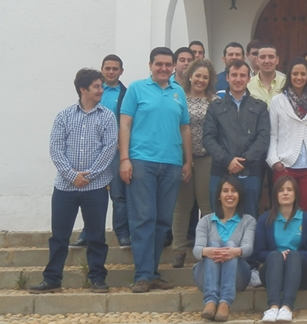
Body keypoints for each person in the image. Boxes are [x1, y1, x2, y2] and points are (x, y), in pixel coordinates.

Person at [29, 69, 118, 294]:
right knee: (59, 235)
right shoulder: (64, 116)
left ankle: (97, 278)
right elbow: (56, 148)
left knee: (97, 236)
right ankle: (52, 279)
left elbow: (109, 149)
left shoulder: (107, 116)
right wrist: (71, 175)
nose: (101, 90)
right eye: (97, 86)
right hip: (65, 188)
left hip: (96, 187)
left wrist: (88, 176)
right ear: (83, 89)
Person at [120, 47, 192, 293]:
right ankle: (142, 275)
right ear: (150, 65)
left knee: (163, 221)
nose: (163, 68)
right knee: (143, 219)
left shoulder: (178, 92)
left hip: (172, 163)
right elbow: (125, 125)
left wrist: (188, 160)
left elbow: (185, 129)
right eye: (158, 64)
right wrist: (124, 159)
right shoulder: (136, 89)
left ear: (173, 67)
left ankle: (153, 272)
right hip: (141, 162)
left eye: (167, 64)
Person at [70, 55, 130, 250]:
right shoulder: (93, 91)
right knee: (90, 194)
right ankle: (88, 233)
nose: (111, 71)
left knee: (118, 195)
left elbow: (127, 124)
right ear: (102, 69)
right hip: (92, 151)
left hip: (115, 152)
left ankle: (122, 233)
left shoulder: (126, 94)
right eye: (108, 68)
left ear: (121, 71)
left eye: (115, 68)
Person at [203, 60, 270, 218]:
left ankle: (247, 245)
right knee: (220, 217)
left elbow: (263, 138)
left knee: (249, 218)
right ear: (227, 78)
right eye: (234, 75)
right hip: (221, 171)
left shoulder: (259, 107)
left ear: (249, 79)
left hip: (250, 171)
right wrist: (228, 161)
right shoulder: (215, 106)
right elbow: (208, 138)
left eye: (242, 75)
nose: (238, 79)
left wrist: (243, 161)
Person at [172, 59, 219, 268]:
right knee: (182, 205)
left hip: (206, 158)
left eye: (205, 77)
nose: (200, 80)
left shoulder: (215, 101)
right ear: (190, 75)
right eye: (197, 75)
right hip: (181, 158)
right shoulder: (178, 98)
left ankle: (207, 246)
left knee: (206, 204)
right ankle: (178, 250)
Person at [255, 175, 307, 322]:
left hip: (301, 273)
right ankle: (273, 307)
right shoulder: (265, 219)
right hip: (272, 272)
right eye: (281, 190)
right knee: (276, 255)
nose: (285, 193)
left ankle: (287, 307)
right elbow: (258, 253)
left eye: (289, 190)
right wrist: (278, 255)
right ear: (275, 195)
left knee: (294, 255)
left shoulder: (306, 218)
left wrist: (290, 256)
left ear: (295, 195)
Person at [193, 176, 256, 322]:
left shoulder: (248, 221)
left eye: (234, 191)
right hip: (205, 276)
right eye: (225, 191)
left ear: (239, 195)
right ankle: (210, 300)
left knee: (231, 246)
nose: (229, 194)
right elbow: (197, 250)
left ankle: (224, 302)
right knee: (213, 245)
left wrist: (234, 252)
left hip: (237, 277)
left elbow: (248, 247)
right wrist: (208, 251)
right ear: (219, 196)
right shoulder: (205, 221)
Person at [268, 58, 307, 215]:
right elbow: (272, 134)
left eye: (303, 74)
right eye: (295, 73)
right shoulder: (278, 101)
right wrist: (274, 160)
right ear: (289, 75)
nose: (299, 77)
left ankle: (304, 238)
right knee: (284, 209)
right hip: (285, 164)